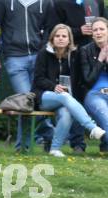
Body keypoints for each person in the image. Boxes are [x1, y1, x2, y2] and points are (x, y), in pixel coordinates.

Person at [32, 24, 105, 157]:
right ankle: (91, 127)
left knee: (66, 113)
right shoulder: (44, 53)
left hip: (65, 98)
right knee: (64, 97)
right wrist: (53, 86)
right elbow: (38, 79)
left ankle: (55, 149)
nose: (60, 38)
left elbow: (79, 79)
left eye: (64, 36)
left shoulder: (73, 55)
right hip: (44, 96)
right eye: (57, 36)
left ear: (69, 39)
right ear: (52, 38)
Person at [0, 0, 55, 152]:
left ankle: (23, 146)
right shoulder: (4, 3)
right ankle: (47, 134)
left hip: (39, 56)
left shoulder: (46, 2)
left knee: (35, 101)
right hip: (14, 57)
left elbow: (50, 28)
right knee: (27, 101)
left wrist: (43, 48)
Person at [53, 0, 106, 154]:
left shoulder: (98, 2)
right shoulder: (60, 3)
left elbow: (102, 26)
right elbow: (55, 30)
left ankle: (105, 143)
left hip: (96, 54)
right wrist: (78, 31)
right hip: (73, 55)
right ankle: (77, 143)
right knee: (75, 96)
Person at [81, 17, 108, 154]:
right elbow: (88, 81)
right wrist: (100, 59)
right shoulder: (85, 50)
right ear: (92, 34)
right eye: (95, 30)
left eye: (102, 29)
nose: (98, 32)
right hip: (95, 95)